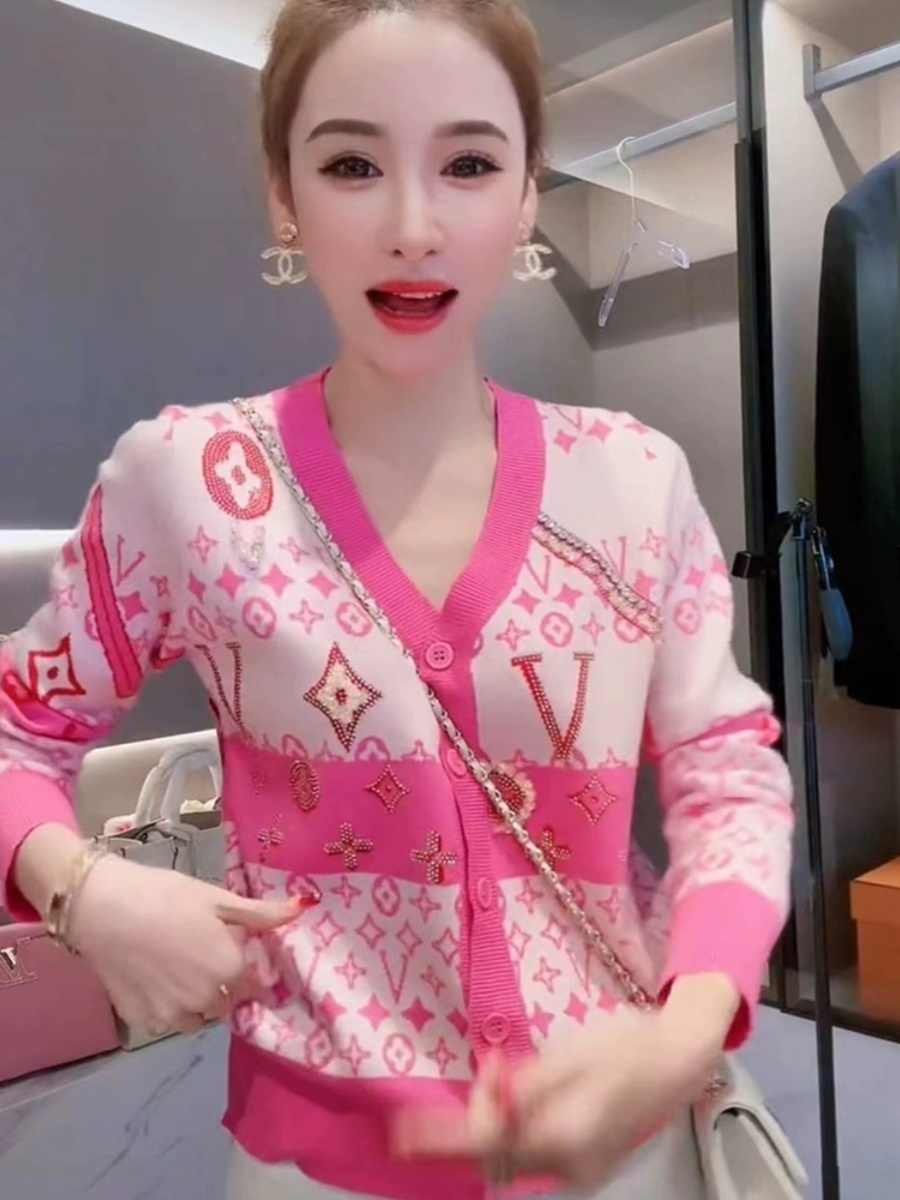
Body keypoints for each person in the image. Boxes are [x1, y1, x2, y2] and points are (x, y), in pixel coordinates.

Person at [0, 2, 795, 1197]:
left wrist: (687, 1030)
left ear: (526, 194)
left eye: (469, 164)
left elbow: (725, 770)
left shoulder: (633, 481)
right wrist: (84, 890)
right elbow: (17, 729)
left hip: (623, 1140)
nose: (414, 228)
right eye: (353, 166)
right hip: (315, 1168)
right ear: (285, 194)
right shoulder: (191, 484)